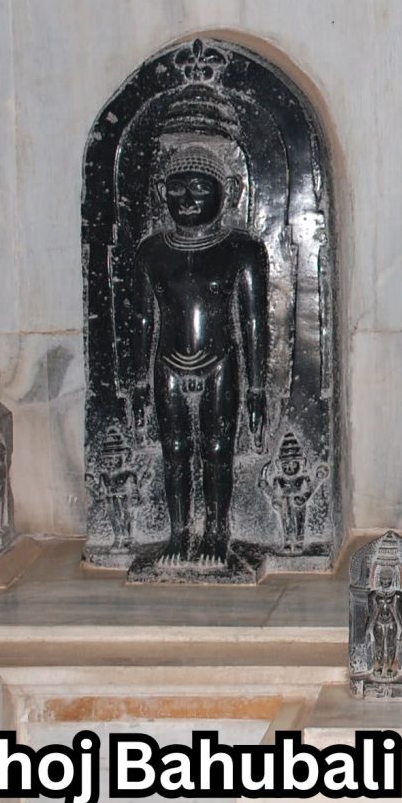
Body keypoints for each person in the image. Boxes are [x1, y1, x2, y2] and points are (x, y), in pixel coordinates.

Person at [129, 88, 269, 566]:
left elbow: (253, 321)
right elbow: (143, 317)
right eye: (176, 189)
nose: (186, 200)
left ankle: (216, 532)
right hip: (166, 361)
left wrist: (256, 388)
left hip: (220, 360)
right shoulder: (152, 252)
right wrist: (137, 383)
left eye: (199, 189)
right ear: (160, 192)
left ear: (227, 193)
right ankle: (177, 533)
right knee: (174, 448)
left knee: (216, 447)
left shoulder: (242, 250)